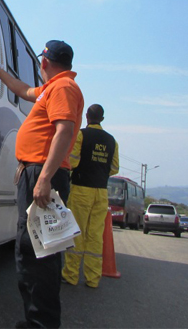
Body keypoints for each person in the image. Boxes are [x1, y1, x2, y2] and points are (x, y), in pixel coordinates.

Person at [0, 40, 84, 329]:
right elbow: (23, 90)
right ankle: (38, 320)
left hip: (44, 175)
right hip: (36, 171)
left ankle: (41, 323)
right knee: (38, 251)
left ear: (44, 63)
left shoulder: (63, 88)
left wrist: (42, 178)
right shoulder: (52, 87)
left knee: (37, 252)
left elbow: (64, 132)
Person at [62, 104, 119, 288]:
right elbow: (114, 168)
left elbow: (73, 161)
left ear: (87, 116)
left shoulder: (81, 135)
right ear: (102, 119)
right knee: (95, 235)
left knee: (77, 232)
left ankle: (71, 275)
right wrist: (100, 171)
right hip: (101, 192)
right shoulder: (112, 141)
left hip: (81, 189)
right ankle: (93, 279)